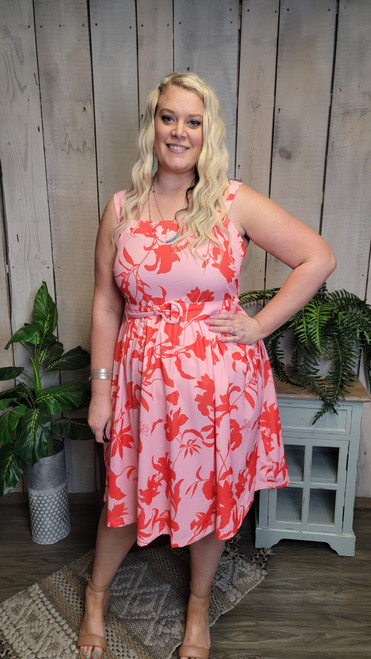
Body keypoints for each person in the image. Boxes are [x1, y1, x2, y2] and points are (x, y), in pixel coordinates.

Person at [77, 72, 336, 659]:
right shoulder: (122, 208)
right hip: (141, 384)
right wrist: (100, 391)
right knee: (126, 493)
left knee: (211, 501)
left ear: (207, 132)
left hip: (218, 388)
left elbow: (317, 257)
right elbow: (104, 302)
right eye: (169, 117)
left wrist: (259, 325)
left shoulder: (231, 201)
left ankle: (198, 610)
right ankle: (95, 597)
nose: (179, 131)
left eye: (193, 121)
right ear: (152, 126)